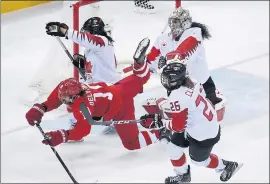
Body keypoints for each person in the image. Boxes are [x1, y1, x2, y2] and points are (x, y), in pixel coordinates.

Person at [25, 38, 170, 150]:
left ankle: (161, 134)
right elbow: (56, 96)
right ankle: (139, 63)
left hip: (121, 108)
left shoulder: (82, 107)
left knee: (132, 143)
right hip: (118, 88)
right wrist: (41, 108)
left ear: (75, 97)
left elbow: (83, 130)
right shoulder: (72, 87)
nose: (63, 99)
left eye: (66, 98)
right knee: (141, 77)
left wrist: (61, 136)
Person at [141, 61, 242, 183]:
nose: (164, 80)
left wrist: (162, 122)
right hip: (199, 125)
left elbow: (178, 127)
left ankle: (227, 166)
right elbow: (184, 110)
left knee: (199, 162)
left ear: (175, 80)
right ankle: (183, 176)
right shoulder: (190, 82)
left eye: (168, 78)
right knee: (173, 149)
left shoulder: (178, 96)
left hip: (205, 135)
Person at [45, 17, 121, 138]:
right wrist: (83, 69)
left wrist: (65, 32)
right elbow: (93, 74)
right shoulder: (92, 49)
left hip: (111, 91)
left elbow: (88, 39)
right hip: (100, 89)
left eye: (86, 31)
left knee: (74, 94)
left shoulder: (103, 41)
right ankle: (79, 126)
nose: (84, 33)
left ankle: (110, 120)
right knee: (70, 90)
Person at [144, 7, 225, 111]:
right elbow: (151, 59)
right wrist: (142, 64)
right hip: (175, 83)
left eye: (176, 22)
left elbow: (184, 50)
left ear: (185, 22)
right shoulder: (162, 39)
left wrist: (168, 59)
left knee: (200, 109)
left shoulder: (195, 33)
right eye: (172, 21)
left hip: (201, 83)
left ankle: (212, 100)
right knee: (179, 108)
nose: (173, 25)